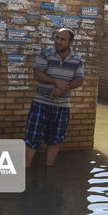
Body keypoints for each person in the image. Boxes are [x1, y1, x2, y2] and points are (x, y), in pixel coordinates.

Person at [24, 28, 84, 167]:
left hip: (62, 107)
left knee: (55, 141)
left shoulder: (77, 59)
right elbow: (37, 74)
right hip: (40, 104)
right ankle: (24, 173)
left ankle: (48, 175)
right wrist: (56, 81)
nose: (58, 41)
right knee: (32, 140)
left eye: (63, 39)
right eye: (57, 38)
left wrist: (64, 87)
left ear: (71, 42)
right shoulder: (46, 54)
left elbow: (80, 80)